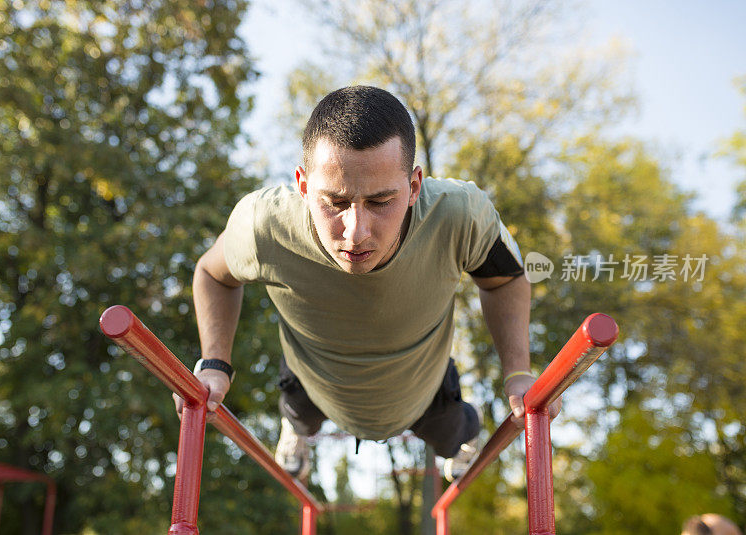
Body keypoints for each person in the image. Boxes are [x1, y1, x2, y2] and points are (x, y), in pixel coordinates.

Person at [174, 85, 561, 481]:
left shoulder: (460, 217)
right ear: (304, 187)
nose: (356, 232)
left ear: (413, 187)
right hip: (314, 378)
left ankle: (461, 443)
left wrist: (518, 372)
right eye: (335, 202)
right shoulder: (263, 226)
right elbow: (212, 274)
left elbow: (506, 278)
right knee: (299, 414)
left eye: (380, 202)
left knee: (453, 433)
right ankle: (296, 431)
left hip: (421, 387)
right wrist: (215, 363)